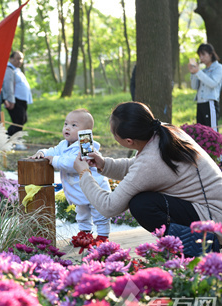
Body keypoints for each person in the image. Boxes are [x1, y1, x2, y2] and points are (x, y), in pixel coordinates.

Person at [73, 102, 222, 244]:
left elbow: (109, 207)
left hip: (214, 221)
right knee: (143, 201)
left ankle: (198, 246)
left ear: (129, 141)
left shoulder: (150, 162)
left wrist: (84, 173)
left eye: (114, 134)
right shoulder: (164, 131)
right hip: (213, 208)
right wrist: (104, 164)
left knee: (141, 205)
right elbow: (139, 168)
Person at [29, 109, 111, 242]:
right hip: (78, 190)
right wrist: (42, 152)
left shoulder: (86, 145)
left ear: (86, 132)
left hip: (95, 188)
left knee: (99, 213)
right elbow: (53, 150)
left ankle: (102, 235)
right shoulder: (63, 145)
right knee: (81, 213)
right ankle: (85, 233)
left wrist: (54, 160)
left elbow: (73, 163)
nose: (67, 127)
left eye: (74, 125)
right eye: (66, 124)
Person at [189, 43, 222, 132]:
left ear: (211, 54)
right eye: (199, 55)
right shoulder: (202, 71)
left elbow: (213, 83)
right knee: (201, 131)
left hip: (210, 102)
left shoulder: (218, 68)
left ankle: (216, 146)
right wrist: (193, 73)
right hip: (200, 103)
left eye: (203, 54)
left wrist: (198, 72)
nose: (201, 58)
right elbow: (194, 86)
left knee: (212, 131)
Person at [3, 51, 33, 150]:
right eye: (18, 58)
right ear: (11, 58)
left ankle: (7, 140)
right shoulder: (9, 69)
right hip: (15, 100)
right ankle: (15, 142)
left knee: (22, 120)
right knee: (18, 121)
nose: (20, 61)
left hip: (22, 100)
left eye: (21, 59)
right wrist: (10, 100)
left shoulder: (17, 69)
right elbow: (8, 86)